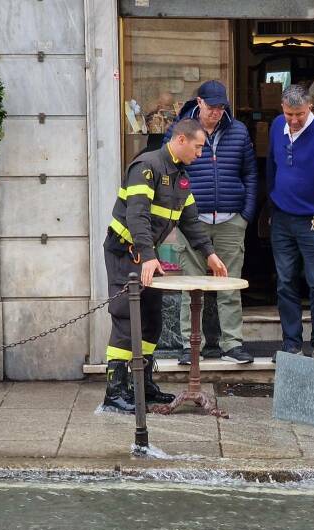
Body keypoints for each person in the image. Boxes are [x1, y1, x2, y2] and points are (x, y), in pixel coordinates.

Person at [103, 118, 229, 413]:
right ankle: (115, 391)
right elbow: (137, 216)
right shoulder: (146, 167)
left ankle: (142, 386)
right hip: (126, 253)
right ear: (181, 140)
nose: (200, 153)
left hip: (146, 256)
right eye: (198, 147)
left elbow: (190, 221)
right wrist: (148, 256)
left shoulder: (181, 177)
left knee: (151, 320)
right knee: (125, 319)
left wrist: (209, 253)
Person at [164, 80, 257, 365]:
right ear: (200, 102)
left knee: (229, 284)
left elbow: (251, 174)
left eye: (221, 108)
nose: (216, 112)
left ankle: (232, 344)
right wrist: (178, 212)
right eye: (212, 107)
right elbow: (167, 172)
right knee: (191, 285)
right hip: (193, 220)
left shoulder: (238, 132)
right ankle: (190, 346)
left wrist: (245, 216)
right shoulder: (180, 130)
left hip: (231, 219)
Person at [266, 84, 314, 360]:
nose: (294, 120)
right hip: (283, 217)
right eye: (289, 114)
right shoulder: (277, 126)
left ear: (309, 107)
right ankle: (291, 342)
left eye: (299, 113)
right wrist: (271, 202)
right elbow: (271, 166)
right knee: (285, 281)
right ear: (282, 109)